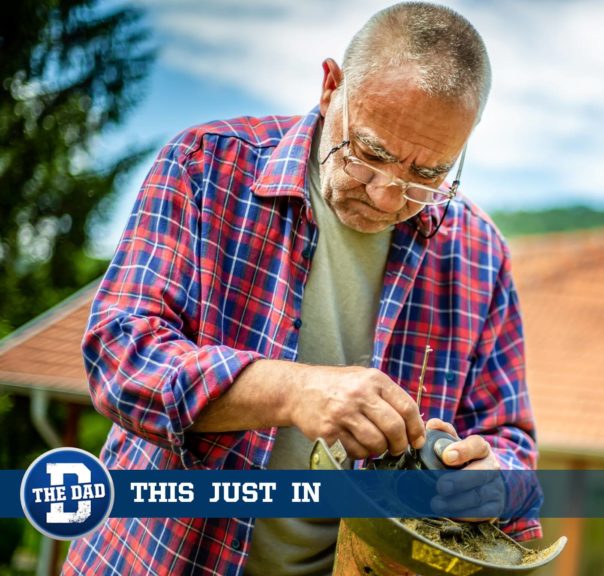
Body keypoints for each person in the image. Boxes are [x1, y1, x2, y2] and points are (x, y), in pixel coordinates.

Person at [65, 3, 539, 574]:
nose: (388, 197)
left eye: (426, 174)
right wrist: (293, 391)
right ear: (331, 87)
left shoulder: (481, 256)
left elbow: (509, 440)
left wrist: (490, 484)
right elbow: (120, 356)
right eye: (372, 154)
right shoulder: (205, 167)